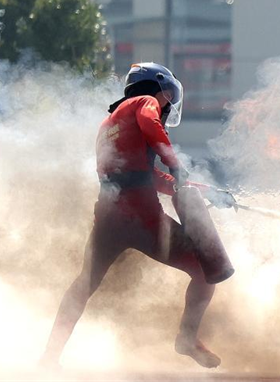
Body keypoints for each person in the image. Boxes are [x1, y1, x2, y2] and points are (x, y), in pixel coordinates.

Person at [41, 63, 236, 369]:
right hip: (142, 217)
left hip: (108, 217)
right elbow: (150, 123)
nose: (167, 105)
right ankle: (187, 338)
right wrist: (175, 163)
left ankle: (49, 357)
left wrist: (205, 191)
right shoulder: (143, 103)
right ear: (156, 87)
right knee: (203, 272)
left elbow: (147, 176)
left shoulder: (107, 126)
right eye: (167, 96)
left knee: (83, 285)